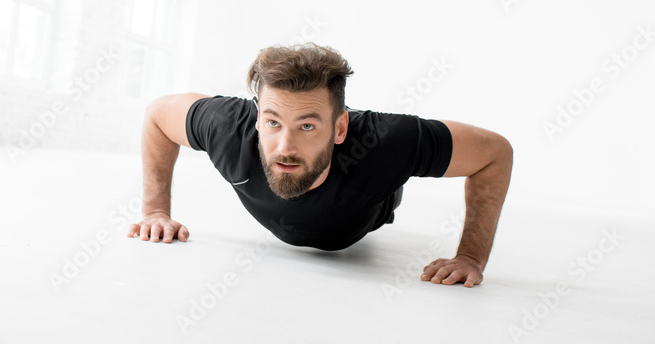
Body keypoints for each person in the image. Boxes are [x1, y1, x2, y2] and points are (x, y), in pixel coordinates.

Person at [128, 43, 513, 288]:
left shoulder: (388, 143)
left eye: (308, 126)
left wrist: (469, 257)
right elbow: (158, 115)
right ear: (258, 118)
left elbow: (495, 152)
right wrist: (156, 211)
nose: (285, 146)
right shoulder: (228, 127)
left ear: (340, 127)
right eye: (273, 122)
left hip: (366, 212)